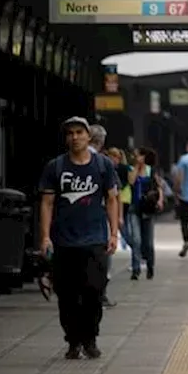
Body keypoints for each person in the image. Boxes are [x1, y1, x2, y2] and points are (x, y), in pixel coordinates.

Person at [38, 117, 120, 360]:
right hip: (64, 241)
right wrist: (45, 237)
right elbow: (47, 202)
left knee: (94, 290)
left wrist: (114, 233)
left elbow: (112, 199)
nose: (75, 137)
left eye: (79, 132)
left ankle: (90, 337)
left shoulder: (103, 165)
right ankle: (73, 341)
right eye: (70, 133)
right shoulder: (56, 166)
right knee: (67, 295)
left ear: (88, 136)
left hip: (95, 239)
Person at [87, 124, 117, 309]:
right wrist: (114, 231)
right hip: (97, 218)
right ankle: (99, 295)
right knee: (101, 258)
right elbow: (112, 197)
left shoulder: (64, 162)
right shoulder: (102, 162)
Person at [126, 148, 165, 280]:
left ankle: (150, 266)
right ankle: (136, 269)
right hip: (134, 208)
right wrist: (137, 167)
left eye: (138, 156)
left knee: (148, 242)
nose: (136, 158)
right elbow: (131, 182)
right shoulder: (132, 170)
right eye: (135, 156)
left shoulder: (151, 170)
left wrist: (160, 200)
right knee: (136, 240)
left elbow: (159, 186)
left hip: (148, 208)